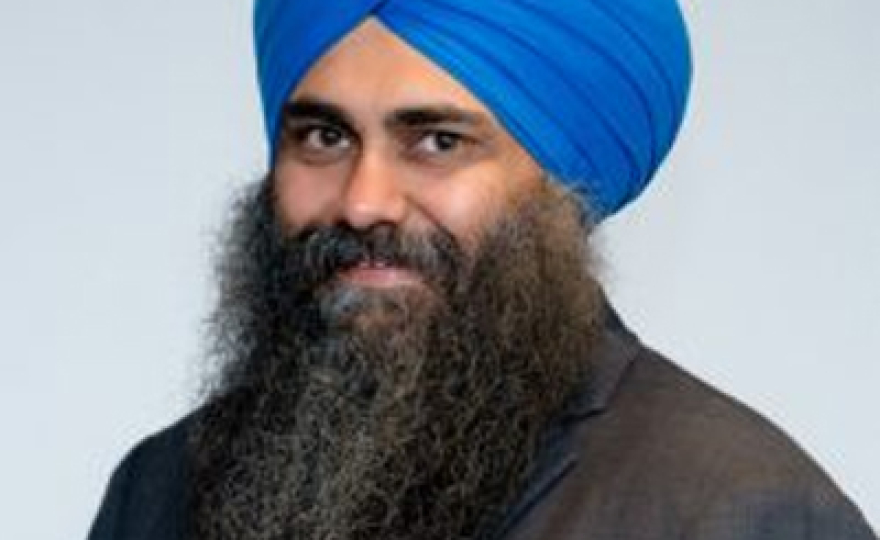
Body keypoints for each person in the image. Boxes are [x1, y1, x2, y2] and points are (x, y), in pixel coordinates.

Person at [87, 1, 877, 539]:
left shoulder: (736, 510)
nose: (362, 202)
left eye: (437, 142)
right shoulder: (161, 488)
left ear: (562, 186)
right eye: (324, 138)